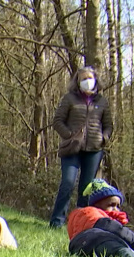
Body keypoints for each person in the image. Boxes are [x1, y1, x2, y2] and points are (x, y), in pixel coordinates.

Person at [49, 66, 114, 228]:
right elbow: (57, 121)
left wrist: (103, 138)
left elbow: (108, 125)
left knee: (86, 188)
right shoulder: (69, 99)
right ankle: (57, 221)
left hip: (94, 150)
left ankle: (81, 223)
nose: (87, 81)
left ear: (96, 80)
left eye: (89, 78)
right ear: (77, 82)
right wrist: (69, 135)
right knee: (68, 182)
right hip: (71, 148)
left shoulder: (102, 101)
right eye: (83, 79)